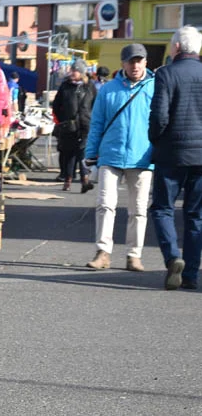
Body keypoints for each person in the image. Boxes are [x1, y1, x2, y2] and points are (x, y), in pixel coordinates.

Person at [84, 44, 155, 272]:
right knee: (105, 205)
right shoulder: (108, 89)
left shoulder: (155, 87)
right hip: (110, 154)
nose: (135, 65)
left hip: (142, 156)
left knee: (139, 210)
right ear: (123, 63)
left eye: (139, 61)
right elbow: (97, 123)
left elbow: (161, 122)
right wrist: (90, 154)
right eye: (131, 61)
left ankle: (134, 255)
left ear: (145, 62)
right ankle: (103, 252)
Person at [148, 26, 202, 290]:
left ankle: (172, 257)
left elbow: (159, 117)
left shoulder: (166, 74)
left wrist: (155, 140)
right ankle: (191, 273)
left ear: (177, 47)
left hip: (172, 153)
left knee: (162, 208)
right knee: (195, 215)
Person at [52, 60, 95, 192]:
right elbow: (56, 105)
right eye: (72, 70)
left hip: (85, 125)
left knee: (83, 153)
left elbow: (95, 104)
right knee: (69, 154)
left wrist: (91, 118)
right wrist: (61, 120)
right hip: (68, 125)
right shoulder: (65, 86)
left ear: (82, 73)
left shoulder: (89, 87)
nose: (72, 73)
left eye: (75, 70)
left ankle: (85, 181)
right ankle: (68, 180)